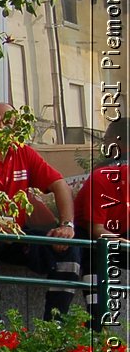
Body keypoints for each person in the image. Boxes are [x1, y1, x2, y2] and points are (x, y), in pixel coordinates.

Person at [0, 102, 80, 319]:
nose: (2, 127)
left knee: (71, 247)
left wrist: (66, 225)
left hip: (18, 235)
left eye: (8, 122)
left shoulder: (24, 153)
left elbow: (60, 184)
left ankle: (55, 326)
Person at [76, 117, 127, 328]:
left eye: (105, 139)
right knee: (95, 252)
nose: (103, 144)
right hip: (90, 237)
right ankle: (96, 326)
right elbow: (96, 229)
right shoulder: (104, 177)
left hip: (119, 231)